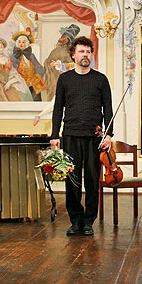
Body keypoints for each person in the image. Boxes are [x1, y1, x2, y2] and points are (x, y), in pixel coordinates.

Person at [50, 36, 113, 237]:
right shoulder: (64, 79)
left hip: (94, 137)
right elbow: (58, 108)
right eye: (81, 52)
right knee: (72, 180)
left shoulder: (100, 79)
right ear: (73, 55)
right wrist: (54, 134)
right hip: (70, 135)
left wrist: (109, 134)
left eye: (88, 52)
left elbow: (109, 110)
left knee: (93, 181)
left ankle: (88, 221)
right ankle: (75, 220)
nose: (85, 55)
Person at [42, 24, 79, 101]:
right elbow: (48, 62)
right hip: (52, 78)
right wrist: (48, 63)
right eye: (62, 37)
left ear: (69, 40)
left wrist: (60, 65)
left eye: (64, 39)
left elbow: (74, 66)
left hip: (63, 78)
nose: (61, 40)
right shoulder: (56, 50)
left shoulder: (70, 52)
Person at [11, 29, 46, 101]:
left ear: (27, 44)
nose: (21, 44)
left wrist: (37, 76)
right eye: (19, 42)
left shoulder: (31, 55)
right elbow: (11, 70)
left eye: (23, 42)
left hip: (32, 82)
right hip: (20, 83)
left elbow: (39, 68)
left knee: (35, 97)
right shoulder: (13, 57)